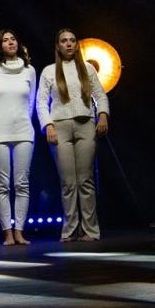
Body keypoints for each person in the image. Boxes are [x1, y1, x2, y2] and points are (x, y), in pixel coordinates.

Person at [36, 28, 109, 241]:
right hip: (59, 127)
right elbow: (41, 102)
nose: (68, 44)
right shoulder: (49, 71)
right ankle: (70, 230)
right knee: (68, 181)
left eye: (72, 41)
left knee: (85, 179)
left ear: (77, 45)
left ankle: (91, 230)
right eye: (64, 41)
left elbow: (100, 95)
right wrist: (48, 125)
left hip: (86, 124)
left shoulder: (87, 69)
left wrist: (103, 115)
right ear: (57, 46)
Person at [0, 28, 38, 246]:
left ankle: (20, 231)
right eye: (5, 40)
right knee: (3, 184)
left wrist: (24, 119)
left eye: (13, 38)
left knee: (22, 183)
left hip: (23, 130)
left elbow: (31, 102)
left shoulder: (29, 70)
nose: (10, 42)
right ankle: (7, 233)